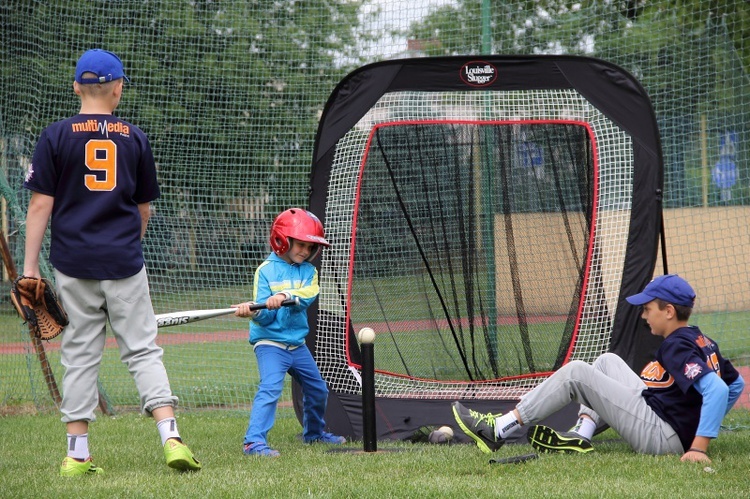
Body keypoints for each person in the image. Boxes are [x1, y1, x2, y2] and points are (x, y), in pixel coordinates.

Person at [22, 48, 201, 476]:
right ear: (118, 90)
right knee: (142, 349)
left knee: (80, 354)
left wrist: (30, 268)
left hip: (73, 263)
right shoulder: (134, 137)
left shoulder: (56, 135)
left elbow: (39, 206)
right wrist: (130, 244)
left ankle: (77, 455)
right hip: (123, 261)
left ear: (75, 88)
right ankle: (171, 437)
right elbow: (144, 210)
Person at [452, 274, 745, 463]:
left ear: (669, 311)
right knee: (607, 361)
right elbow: (736, 385)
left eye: (648, 309)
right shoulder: (701, 338)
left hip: (663, 435)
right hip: (664, 418)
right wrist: (697, 420)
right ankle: (583, 432)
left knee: (577, 371)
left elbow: (718, 389)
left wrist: (699, 445)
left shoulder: (676, 345)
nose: (644, 316)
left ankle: (499, 429)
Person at [232, 208, 346, 457]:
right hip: (270, 344)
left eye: (309, 247)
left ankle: (314, 434)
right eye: (301, 245)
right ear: (283, 239)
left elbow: (307, 296)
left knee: (318, 389)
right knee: (271, 388)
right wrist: (253, 311)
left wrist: (283, 296)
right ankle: (253, 442)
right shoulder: (265, 271)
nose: (305, 252)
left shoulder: (309, 272)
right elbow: (265, 317)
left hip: (296, 345)